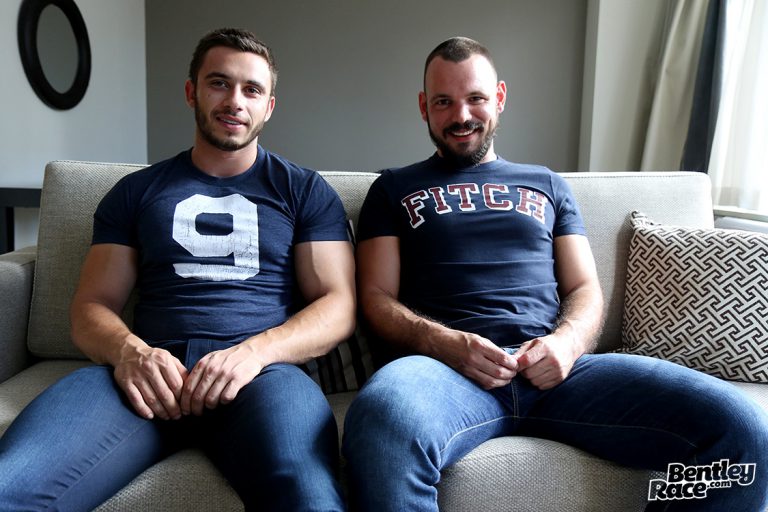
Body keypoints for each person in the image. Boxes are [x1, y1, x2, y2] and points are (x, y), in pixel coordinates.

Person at [342, 36, 768, 511]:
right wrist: (447, 344)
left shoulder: (547, 184)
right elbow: (376, 298)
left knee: (742, 433)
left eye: (476, 98)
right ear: (424, 106)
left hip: (561, 374)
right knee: (380, 423)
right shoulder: (393, 189)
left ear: (499, 98)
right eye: (444, 102)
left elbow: (585, 288)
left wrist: (566, 343)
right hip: (445, 375)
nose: (461, 115)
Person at [0, 28, 354, 511]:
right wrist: (130, 353)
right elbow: (91, 306)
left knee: (309, 498)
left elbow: (337, 304)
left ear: (269, 106)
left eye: (252, 90)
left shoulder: (304, 191)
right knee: (12, 486)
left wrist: (254, 354)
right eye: (219, 83)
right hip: (147, 375)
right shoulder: (135, 192)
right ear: (191, 92)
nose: (235, 101)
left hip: (261, 377)